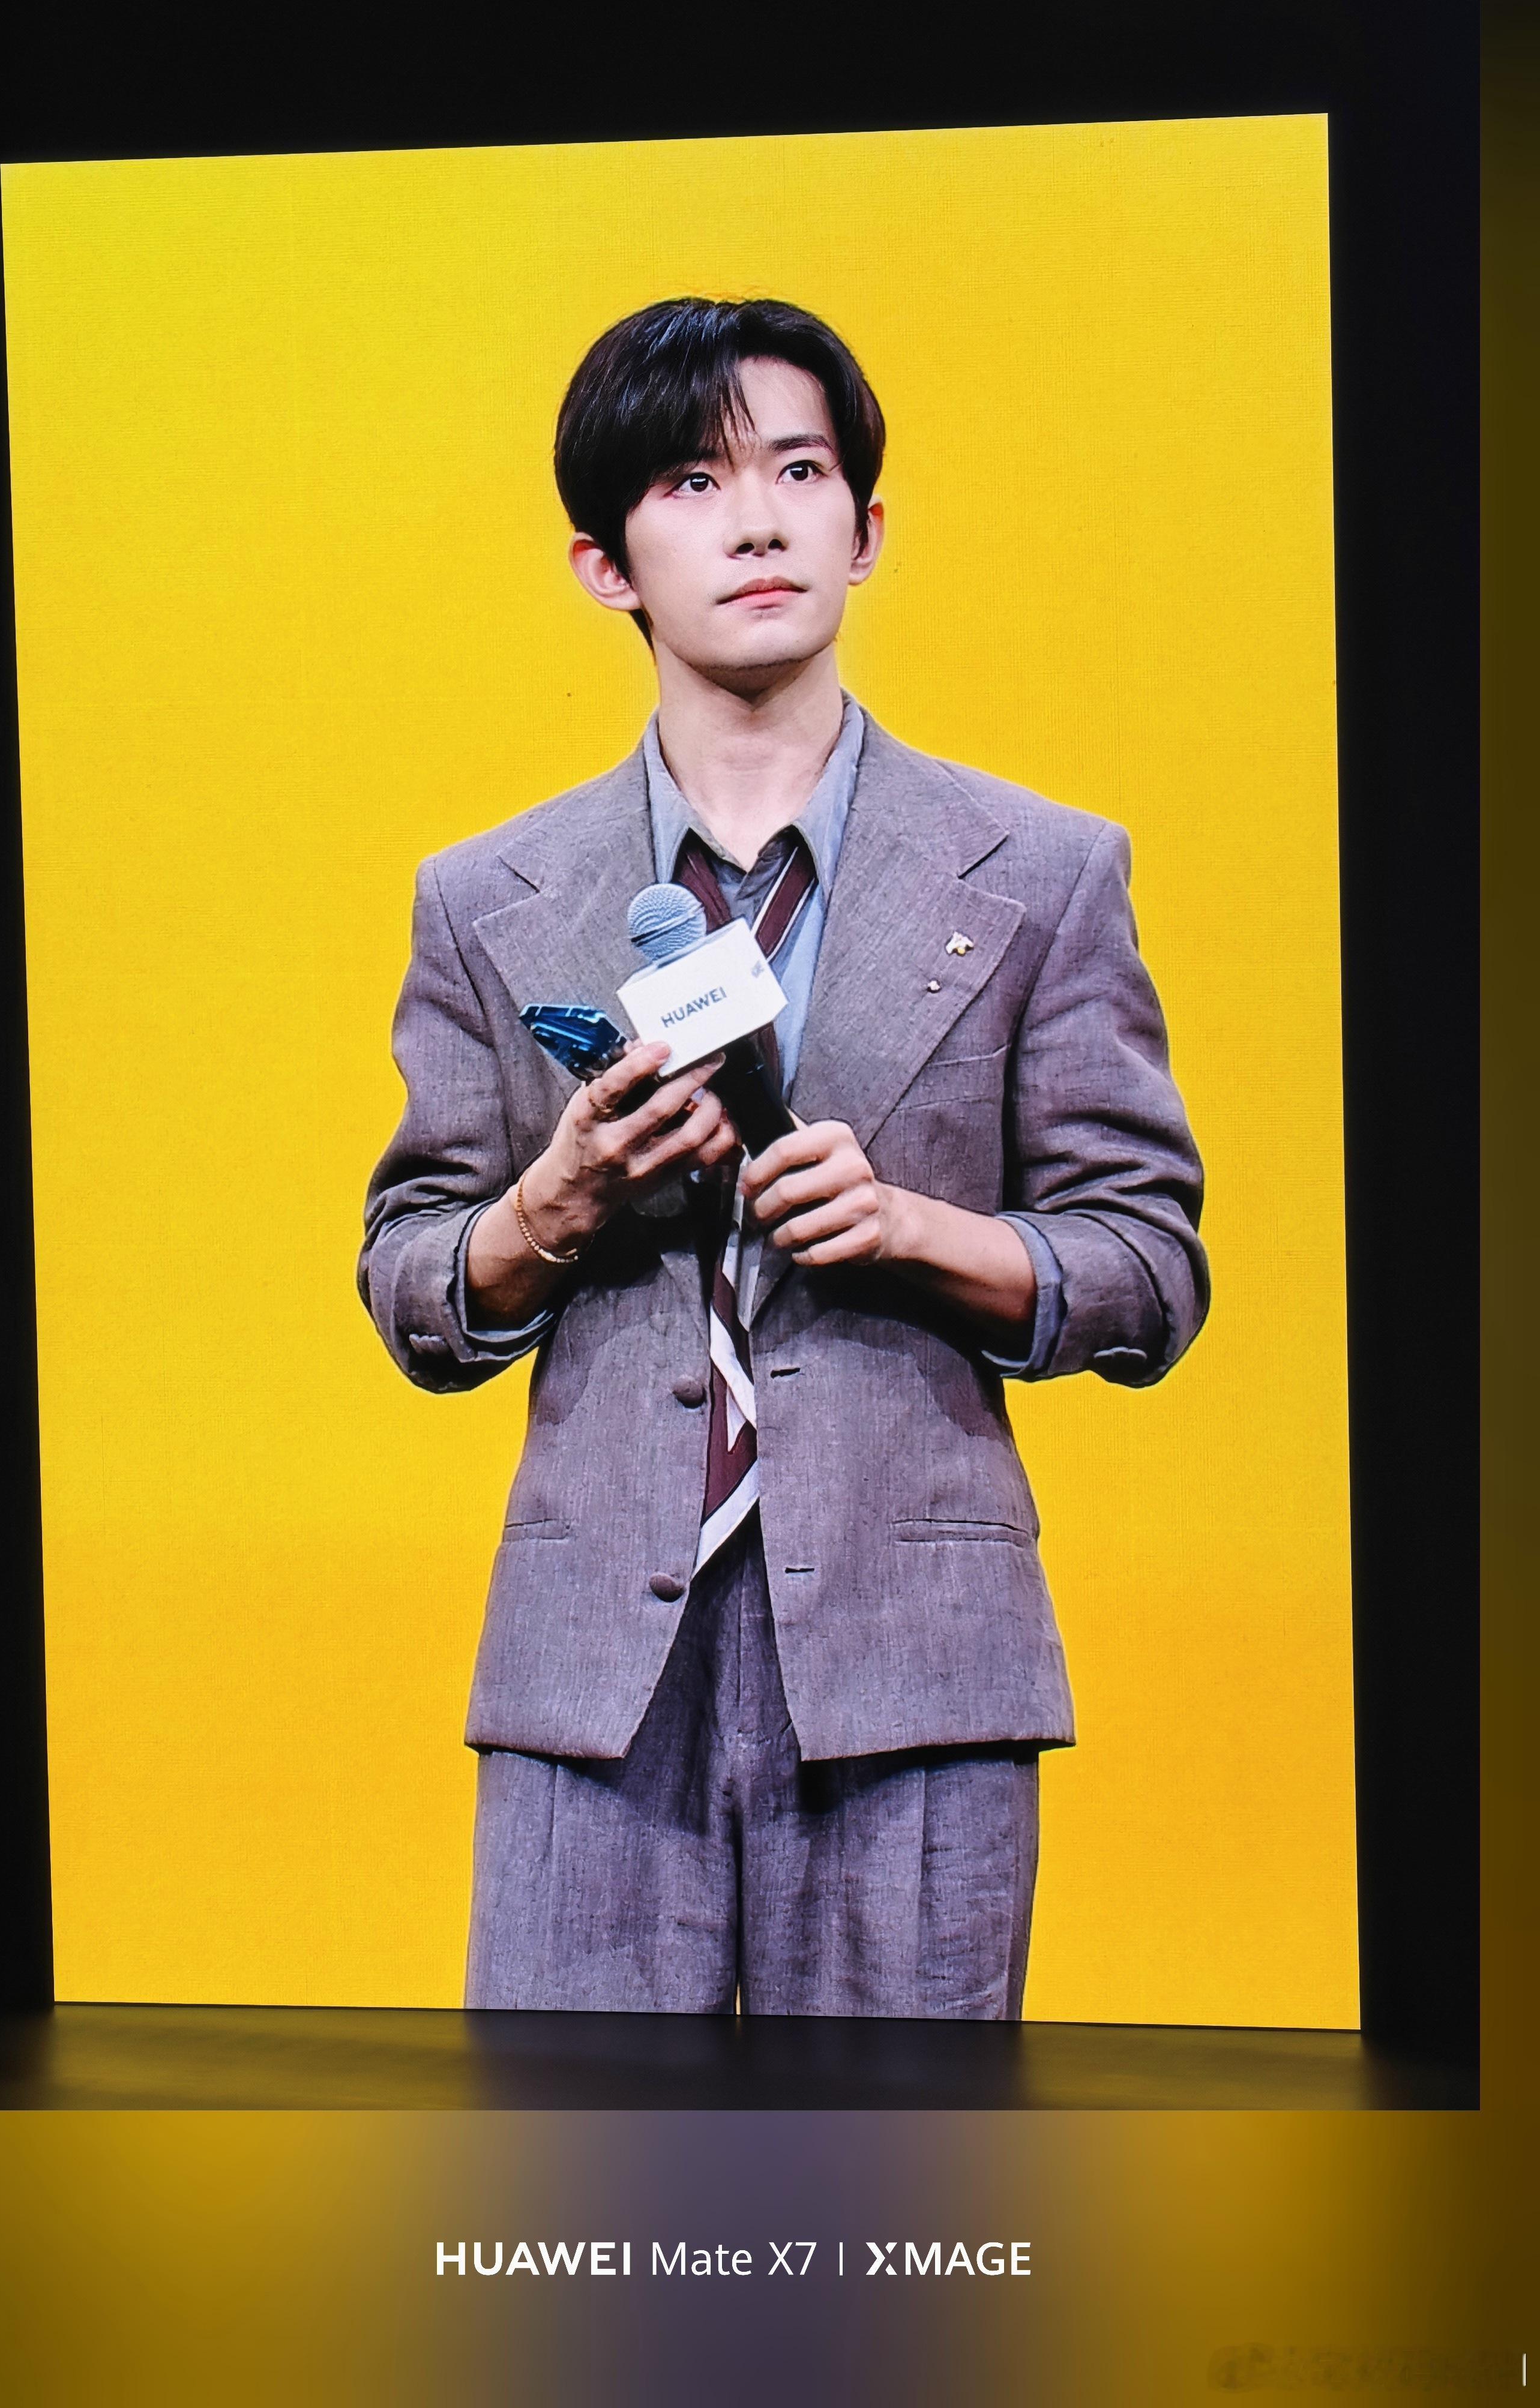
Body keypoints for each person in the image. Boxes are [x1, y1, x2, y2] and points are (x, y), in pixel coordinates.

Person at [358, 296, 1208, 2019]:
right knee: (576, 2176)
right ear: (606, 565)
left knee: (901, 2172)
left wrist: (918, 1232)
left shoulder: (1043, 871)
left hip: (918, 1668)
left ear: (865, 528)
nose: (757, 520)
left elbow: (1151, 1269)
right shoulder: (488, 896)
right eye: (693, 482)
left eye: (800, 472)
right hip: (593, 1677)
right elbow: (413, 1281)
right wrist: (548, 1209)